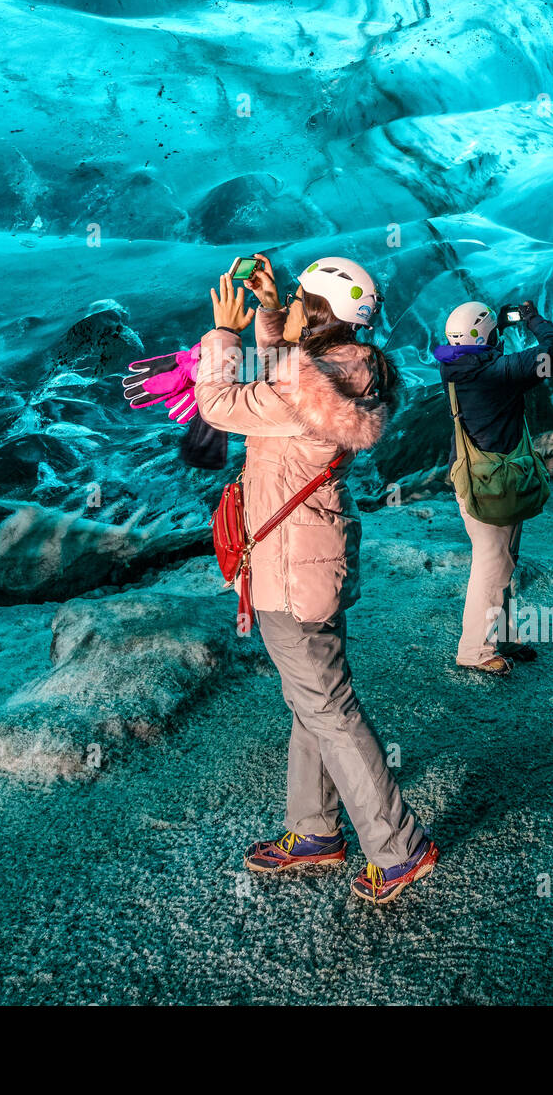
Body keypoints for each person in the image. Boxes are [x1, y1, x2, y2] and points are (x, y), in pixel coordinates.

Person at [194, 254, 438, 905]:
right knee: (314, 697)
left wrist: (224, 334)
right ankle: (314, 829)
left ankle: (399, 846)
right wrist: (272, 316)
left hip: (291, 568)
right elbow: (292, 379)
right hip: (311, 553)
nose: (295, 301)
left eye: (303, 296)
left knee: (327, 705)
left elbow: (222, 404)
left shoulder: (309, 384)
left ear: (323, 314)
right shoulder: (349, 368)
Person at [434, 299, 553, 675]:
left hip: (482, 476)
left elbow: (481, 352)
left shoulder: (454, 365)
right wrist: (532, 318)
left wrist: (497, 330)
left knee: (504, 560)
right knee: (491, 563)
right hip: (493, 481)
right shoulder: (497, 371)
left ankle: (503, 634)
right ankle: (474, 650)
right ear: (485, 339)